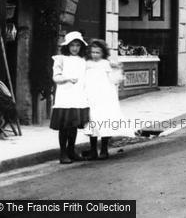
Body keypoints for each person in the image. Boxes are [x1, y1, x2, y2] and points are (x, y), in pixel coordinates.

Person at [84, 39, 132, 160]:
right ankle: (93, 150)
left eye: (97, 52)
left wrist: (117, 69)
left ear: (103, 53)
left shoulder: (106, 64)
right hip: (90, 96)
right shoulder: (86, 64)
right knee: (92, 122)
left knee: (105, 120)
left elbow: (115, 80)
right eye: (92, 52)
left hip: (104, 97)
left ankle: (104, 149)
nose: (94, 55)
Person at [50, 31, 89, 164]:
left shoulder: (83, 60)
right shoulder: (61, 59)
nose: (75, 48)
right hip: (65, 97)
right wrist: (67, 78)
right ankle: (63, 153)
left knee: (73, 126)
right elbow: (56, 77)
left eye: (77, 45)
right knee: (64, 126)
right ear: (67, 46)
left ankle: (71, 150)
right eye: (72, 45)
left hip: (78, 97)